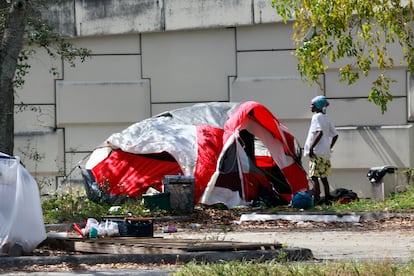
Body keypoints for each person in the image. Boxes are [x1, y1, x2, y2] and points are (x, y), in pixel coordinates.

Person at [304, 95, 338, 205]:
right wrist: (330, 146)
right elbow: (335, 135)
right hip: (325, 153)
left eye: (312, 105)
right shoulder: (326, 118)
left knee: (314, 176)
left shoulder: (316, 117)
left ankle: (317, 199)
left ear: (318, 106)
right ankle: (327, 199)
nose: (310, 107)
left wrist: (311, 148)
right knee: (324, 177)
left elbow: (319, 132)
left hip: (317, 152)